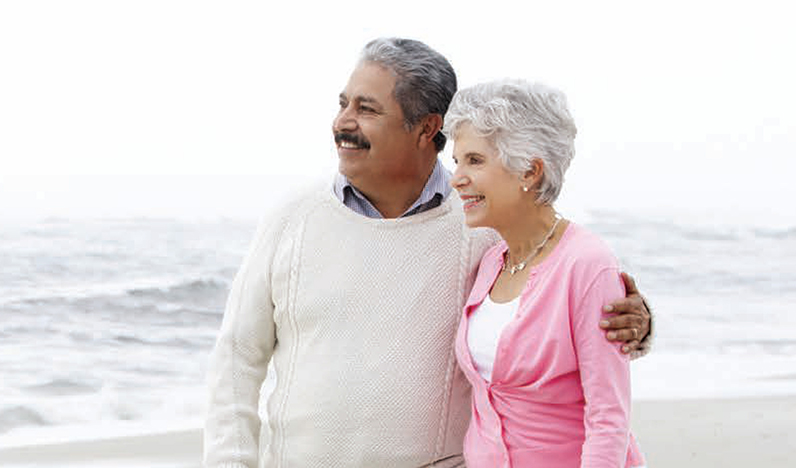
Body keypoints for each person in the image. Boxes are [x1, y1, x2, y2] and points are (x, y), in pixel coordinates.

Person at [204, 38, 652, 468]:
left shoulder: (481, 224)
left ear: (426, 129)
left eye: (366, 109)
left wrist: (632, 317)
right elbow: (237, 356)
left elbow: (551, 275)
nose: (343, 121)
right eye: (343, 104)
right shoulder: (292, 217)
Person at [446, 80, 647, 467]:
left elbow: (608, 418)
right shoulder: (491, 262)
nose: (456, 177)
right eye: (457, 161)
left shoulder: (587, 263)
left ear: (530, 171)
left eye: (474, 160)